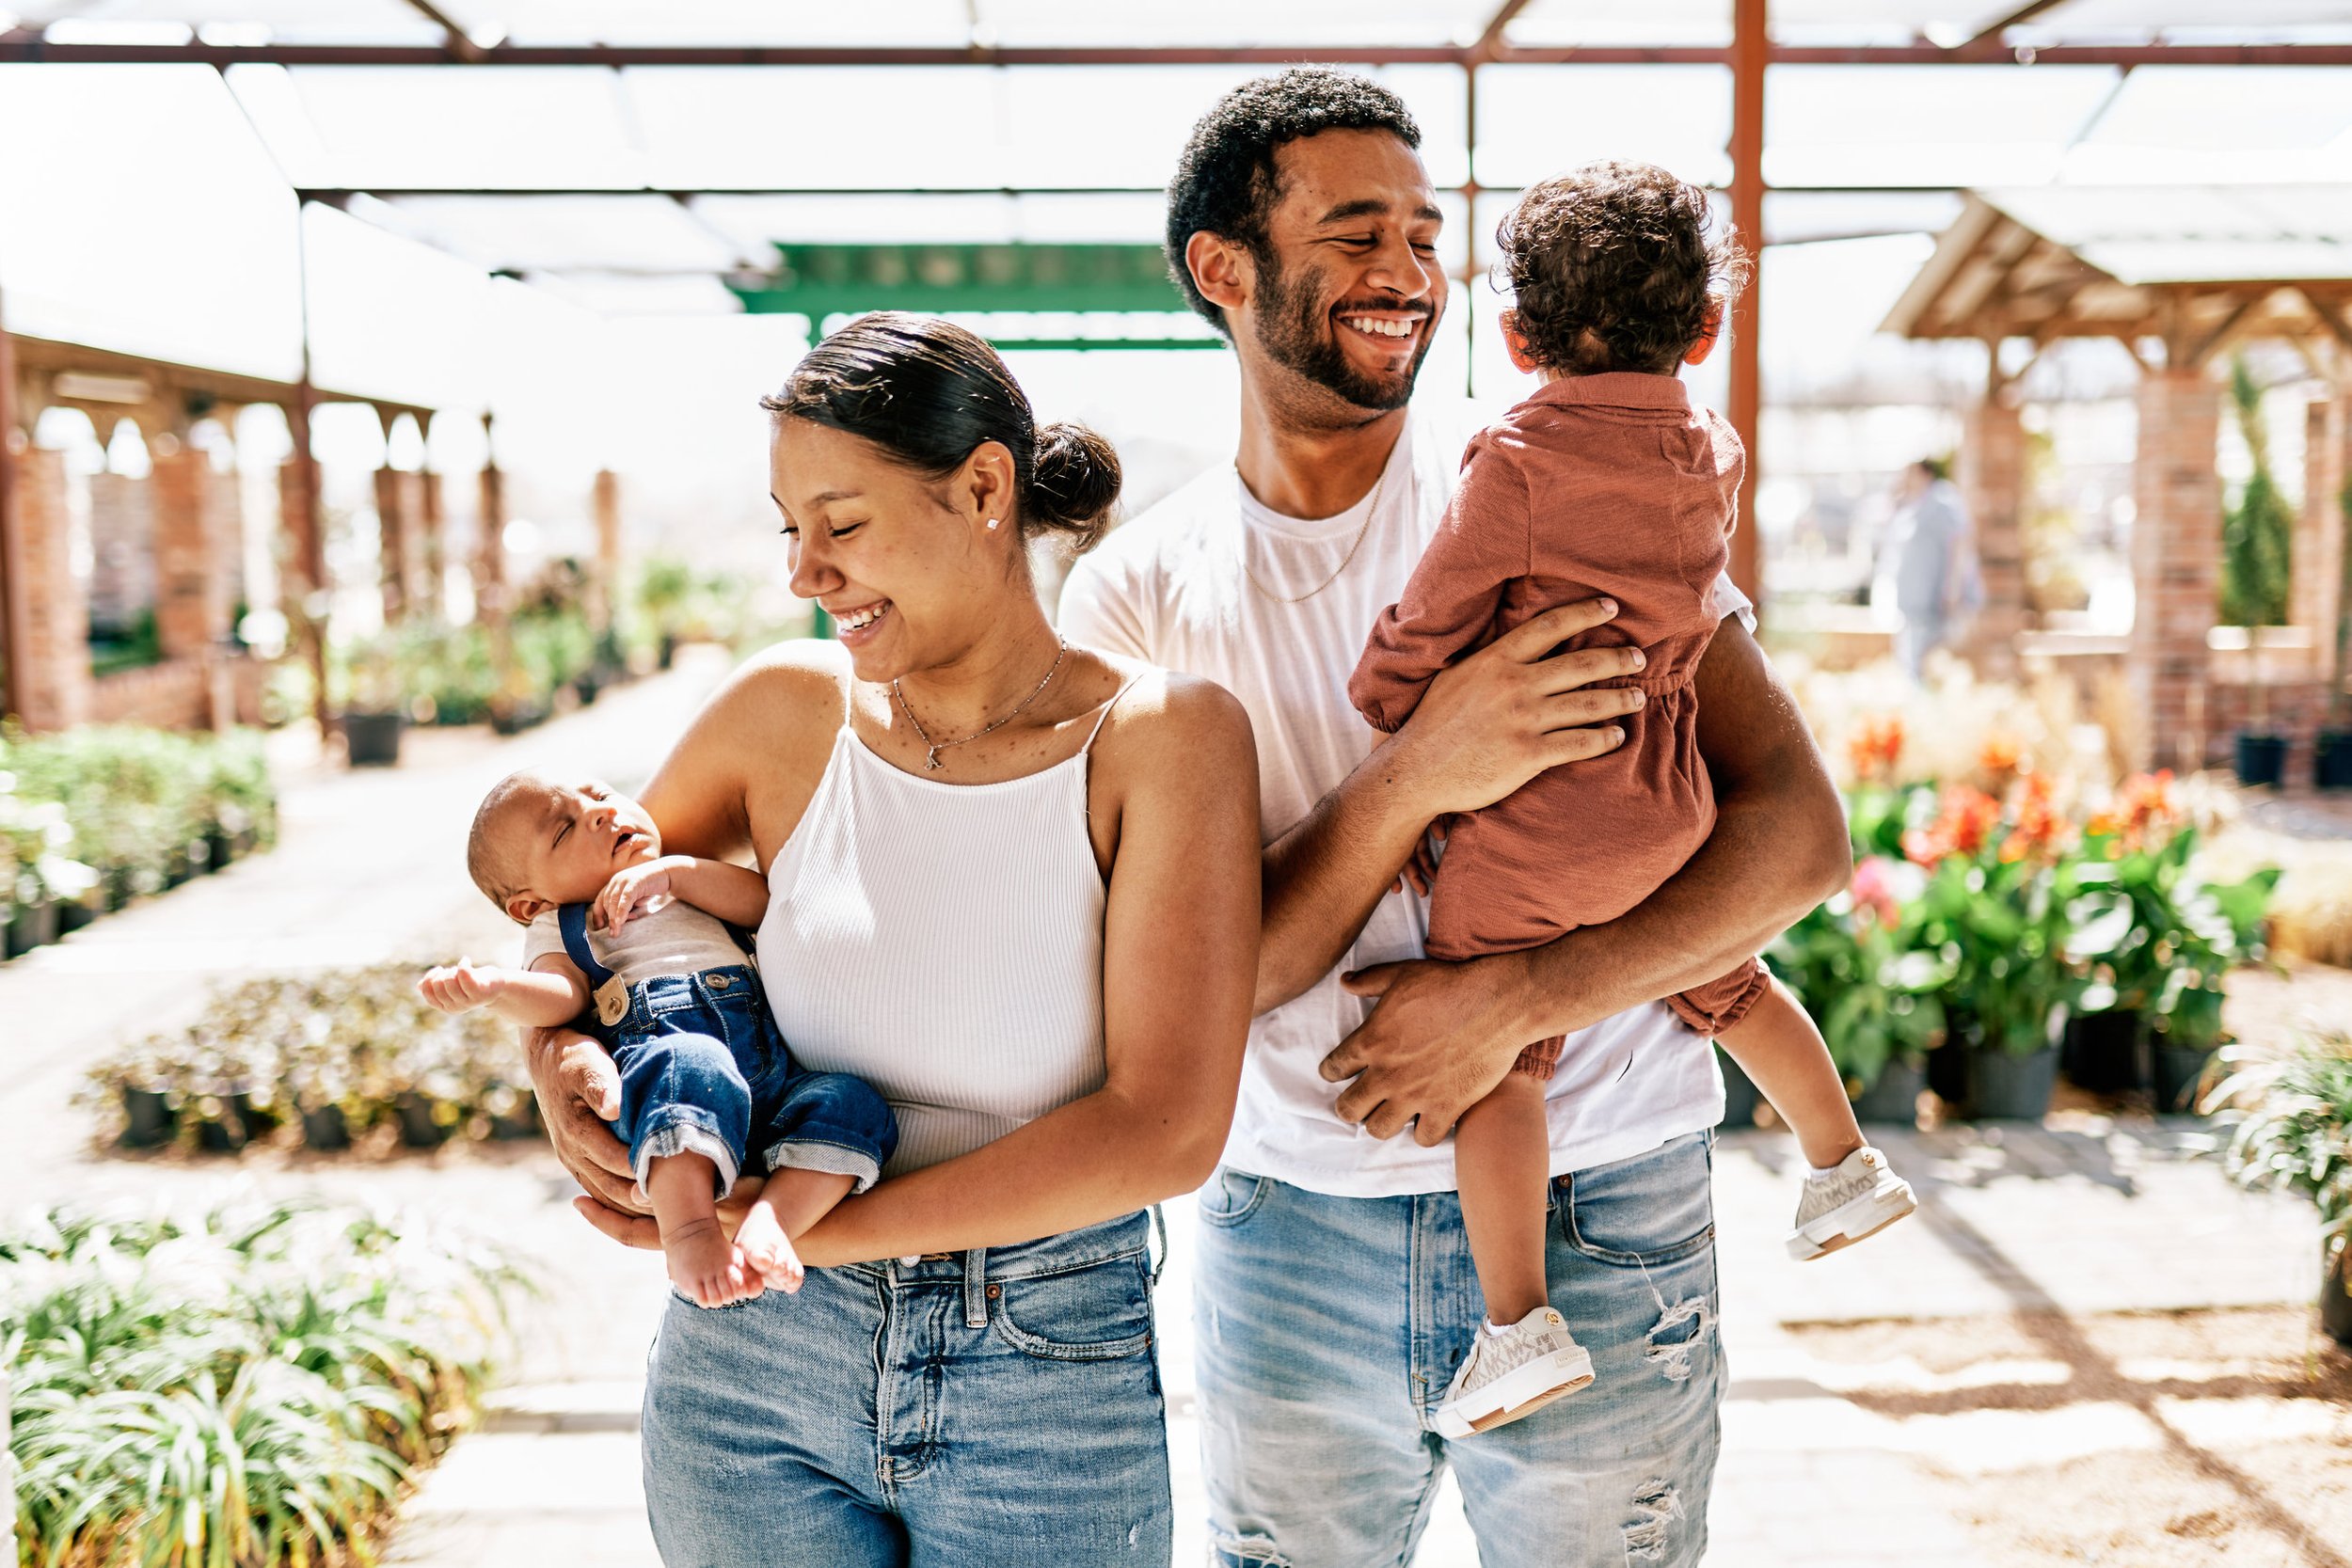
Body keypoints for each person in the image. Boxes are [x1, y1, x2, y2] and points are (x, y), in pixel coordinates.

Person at [1057, 69, 1851, 1566]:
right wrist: (1419, 767)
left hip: (1603, 1203)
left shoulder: (1566, 478)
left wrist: (1522, 1000)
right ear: (1222, 270)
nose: (1407, 274)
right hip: (1289, 1227)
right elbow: (1195, 986)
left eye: (1426, 236)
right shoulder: (1134, 597)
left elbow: (1798, 838)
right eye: (1356, 233)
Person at [527, 312, 1262, 1566]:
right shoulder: (782, 711)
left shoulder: (1166, 739)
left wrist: (785, 1226)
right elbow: (581, 920)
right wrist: (554, 1066)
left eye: (842, 522)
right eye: (788, 528)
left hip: (1039, 1360)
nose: (804, 573)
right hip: (750, 1367)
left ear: (983, 485)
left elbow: (1165, 1126)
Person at [1345, 163, 1914, 1439]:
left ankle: (1517, 1324)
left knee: (1501, 1065)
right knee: (1724, 975)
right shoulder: (1713, 451)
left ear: (1514, 336)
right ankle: (1841, 1162)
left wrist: (1391, 687)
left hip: (1551, 807)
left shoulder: (1516, 460)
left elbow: (1447, 604)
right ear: (1704, 328)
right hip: (1672, 789)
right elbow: (1696, 606)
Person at [420, 768, 898, 1307]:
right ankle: (691, 1233)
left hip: (772, 1084)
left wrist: (677, 875)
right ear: (531, 904)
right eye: (564, 830)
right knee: (689, 1062)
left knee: (853, 1103)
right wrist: (497, 988)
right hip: (672, 1085)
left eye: (599, 795)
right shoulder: (564, 926)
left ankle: (771, 1222)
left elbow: (763, 906)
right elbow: (562, 996)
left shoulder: (686, 883)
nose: (600, 812)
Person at [1882, 457, 1981, 677]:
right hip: (1913, 601)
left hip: (1934, 600)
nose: (1905, 479)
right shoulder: (1912, 503)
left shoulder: (1942, 501)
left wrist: (1954, 588)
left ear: (1923, 472)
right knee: (1910, 660)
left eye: (1909, 473)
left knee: (1928, 661)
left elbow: (1960, 543)